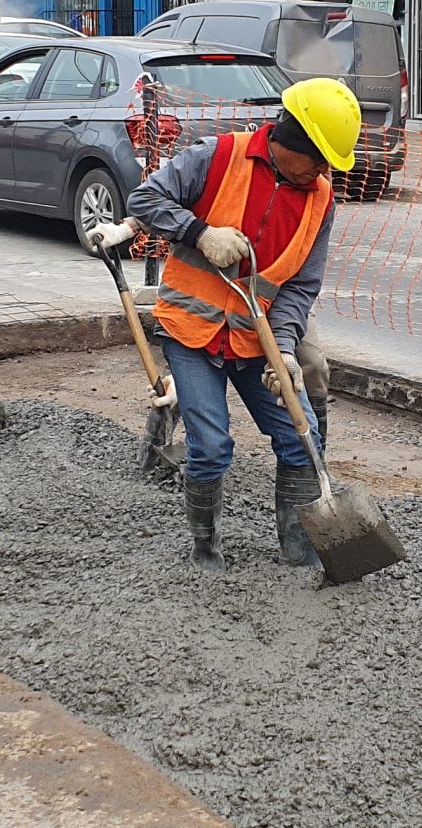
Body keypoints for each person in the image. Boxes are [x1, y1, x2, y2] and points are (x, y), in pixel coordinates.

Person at [98, 78, 361, 572]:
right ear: (291, 141)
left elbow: (300, 287)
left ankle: (299, 550)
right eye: (320, 159)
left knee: (301, 438)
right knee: (213, 447)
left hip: (255, 338)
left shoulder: (320, 200)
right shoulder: (217, 156)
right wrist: (201, 233)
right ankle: (205, 551)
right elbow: (145, 203)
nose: (325, 172)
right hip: (191, 334)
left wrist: (283, 349)